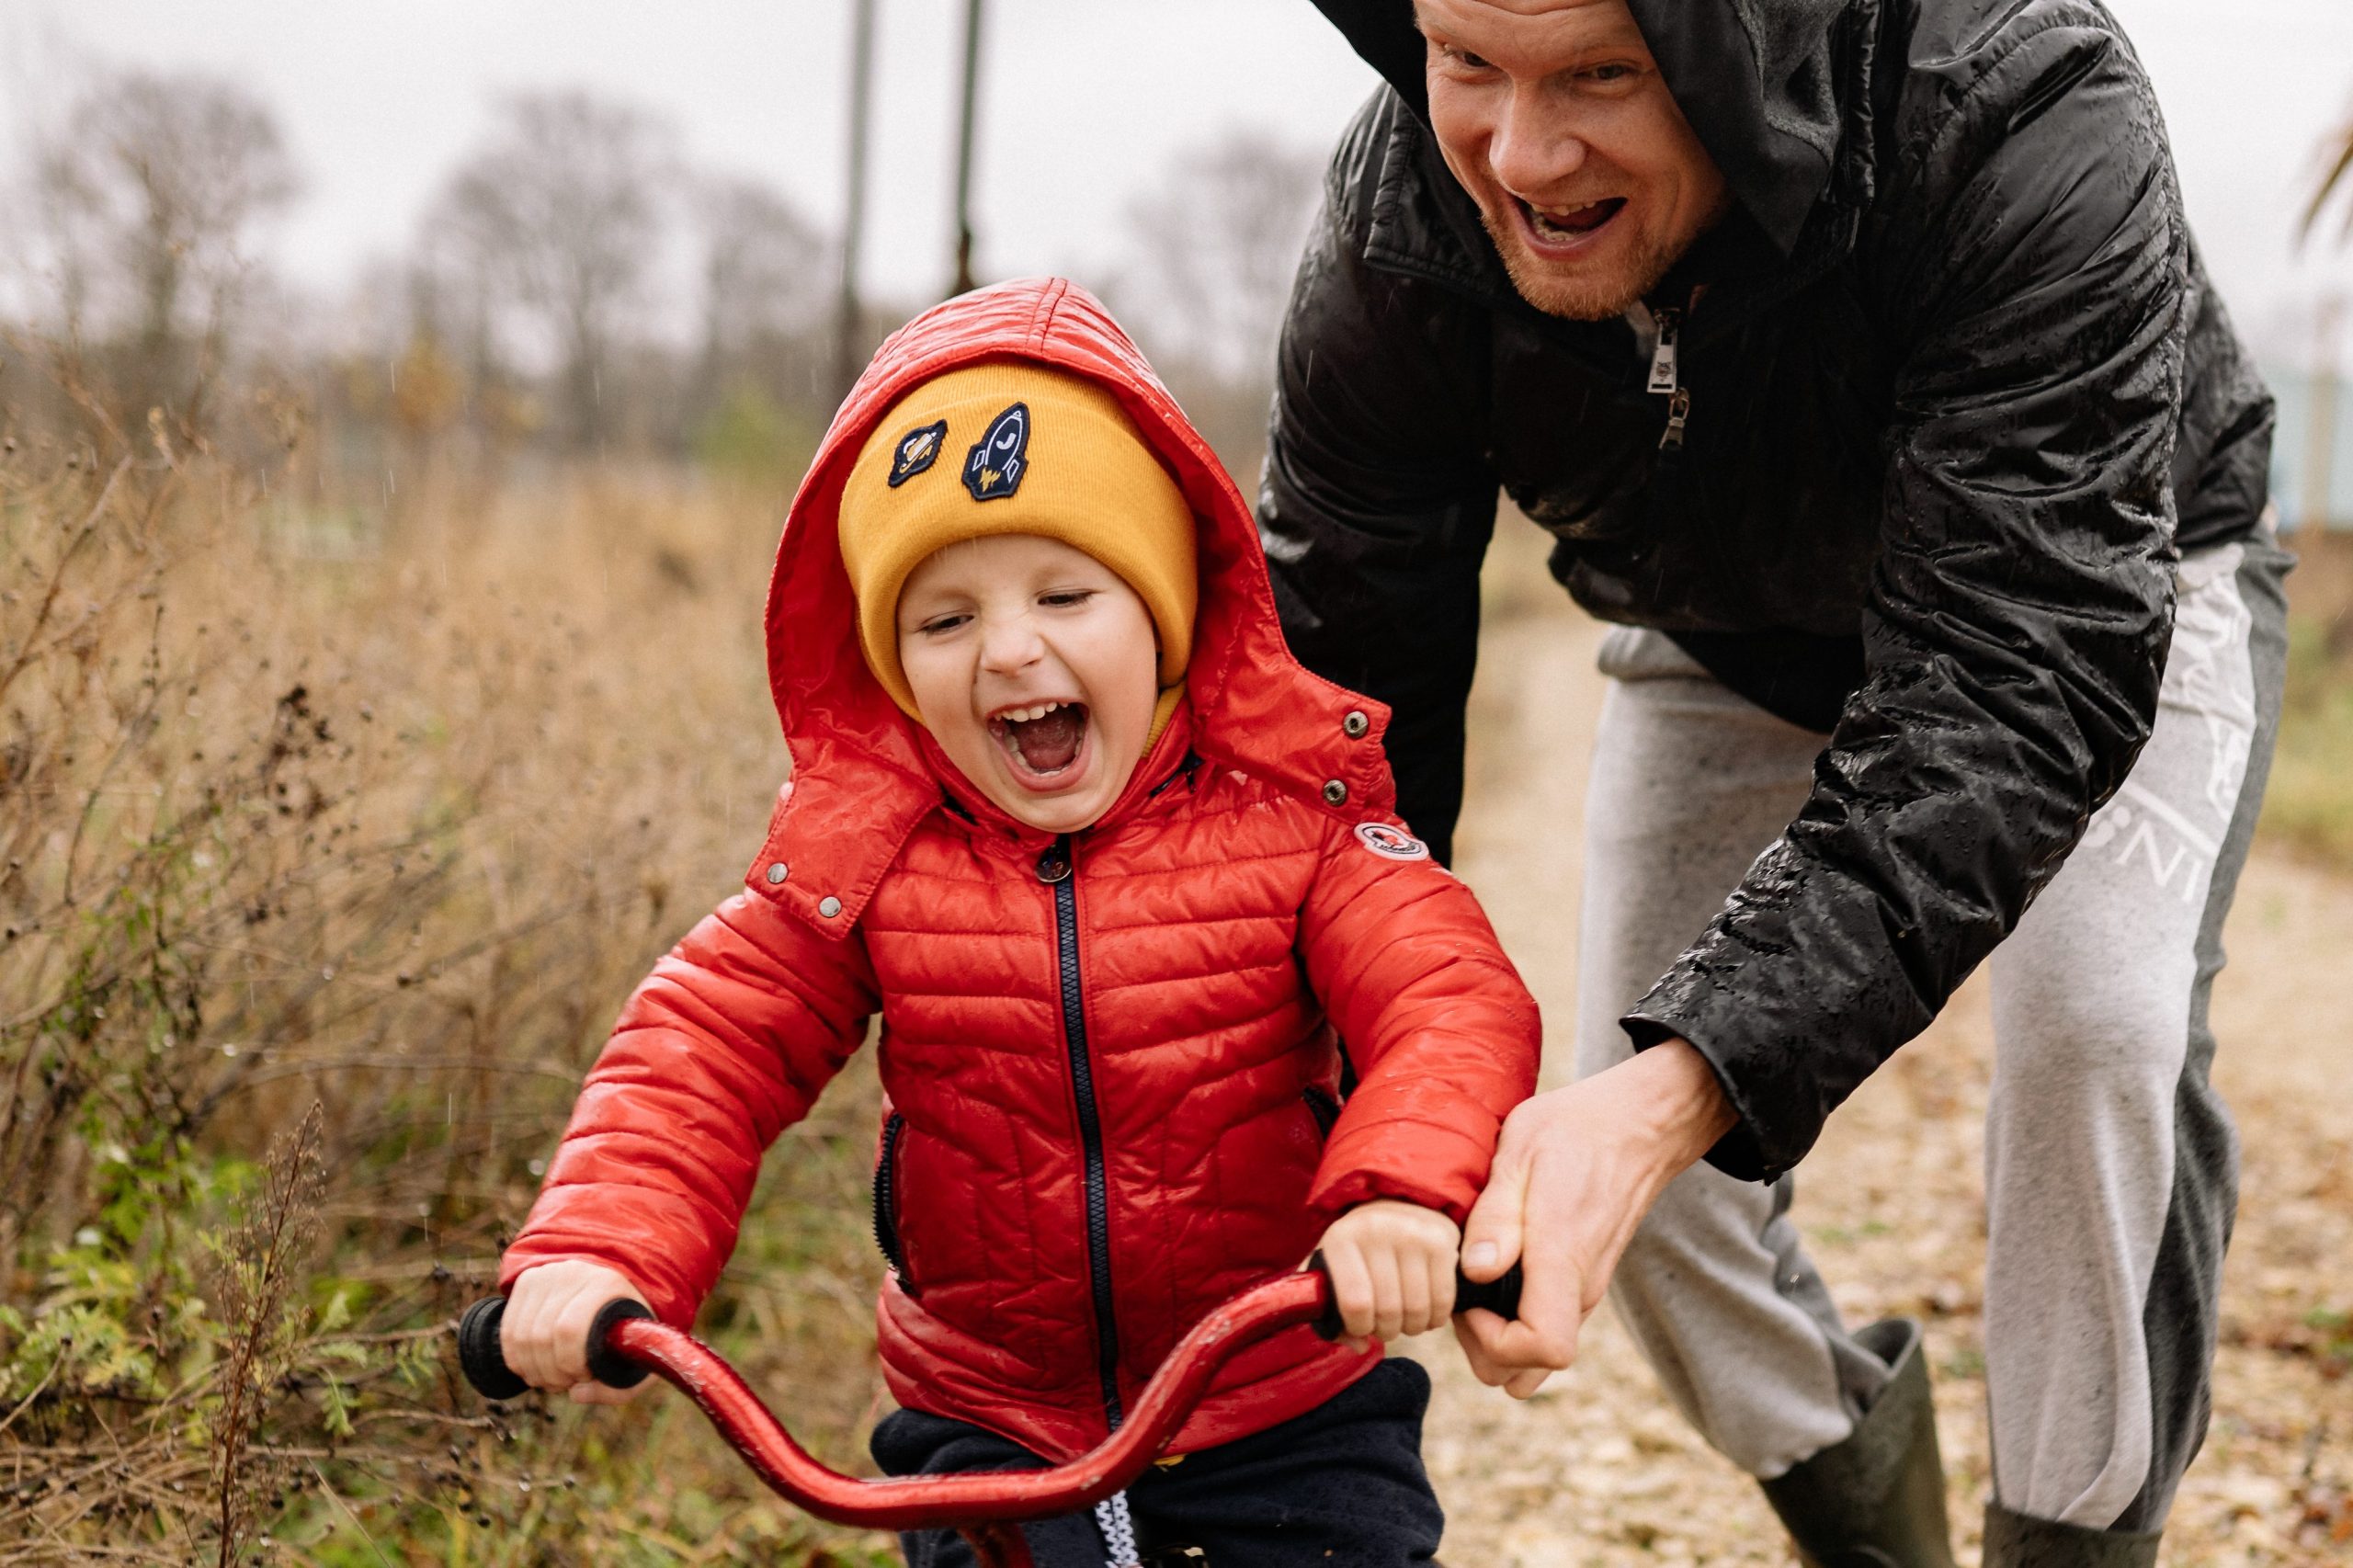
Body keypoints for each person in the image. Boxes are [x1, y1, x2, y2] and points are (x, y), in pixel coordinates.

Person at [1261, 2, 2287, 1564]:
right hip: (1731, 629)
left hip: (2097, 590)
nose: (1519, 157)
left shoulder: (2024, 104)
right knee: (1638, 1169)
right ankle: (1872, 1525)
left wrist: (1691, 1084)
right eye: (1468, 62)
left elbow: (2011, 683)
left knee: (2097, 1031)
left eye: (1600, 75)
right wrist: (1344, 1105)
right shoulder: (1401, 223)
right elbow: (1343, 733)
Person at [493, 278, 1540, 1567]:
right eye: (945, 617)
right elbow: (700, 1048)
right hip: (986, 1418)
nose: (1007, 651)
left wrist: (1397, 1197)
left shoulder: (1290, 819)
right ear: (893, 665)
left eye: (1064, 595)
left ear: (1163, 608)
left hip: (1282, 1387)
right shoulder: (868, 858)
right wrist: (598, 1247)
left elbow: (1450, 996)